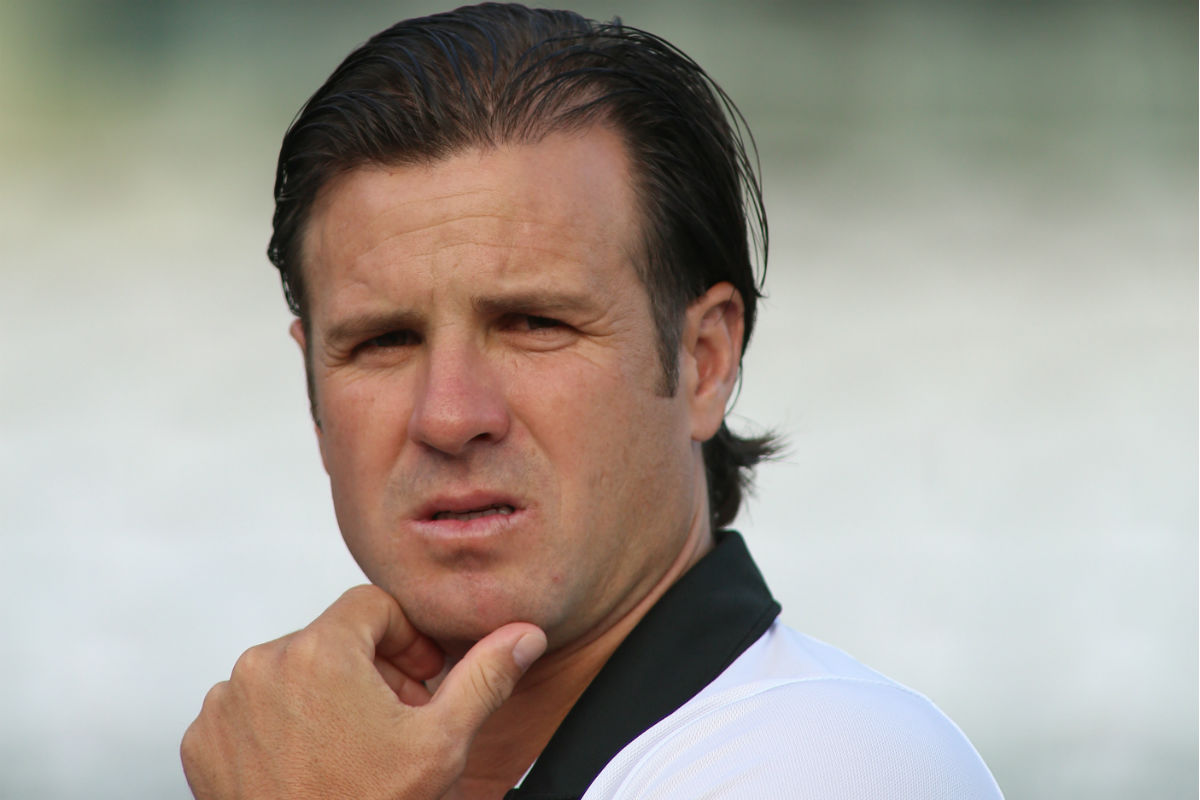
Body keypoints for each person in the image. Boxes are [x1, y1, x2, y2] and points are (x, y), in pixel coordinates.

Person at [181, 4, 1004, 798]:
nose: (450, 416)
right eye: (384, 341)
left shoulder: (835, 759)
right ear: (314, 395)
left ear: (705, 363)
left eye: (534, 324)